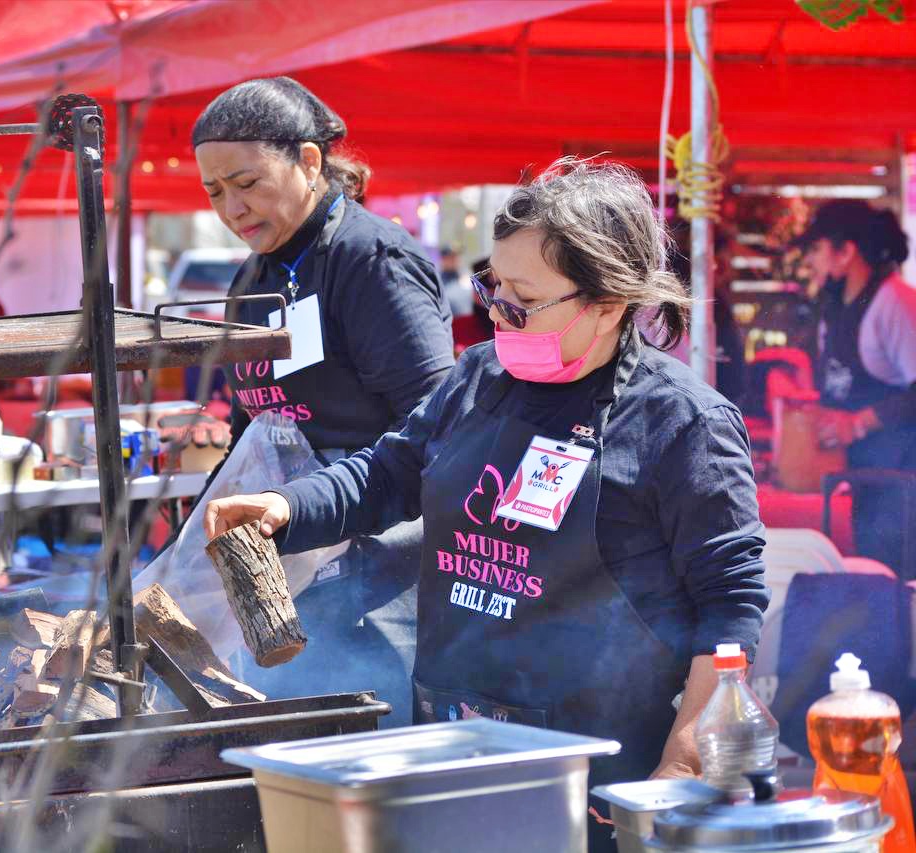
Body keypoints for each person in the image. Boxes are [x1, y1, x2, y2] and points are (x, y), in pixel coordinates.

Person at [205, 158, 769, 852]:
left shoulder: (682, 423)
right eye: (493, 287)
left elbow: (731, 608)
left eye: (522, 300)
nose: (497, 312)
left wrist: (683, 760)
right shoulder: (478, 377)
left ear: (608, 301)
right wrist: (284, 506)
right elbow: (388, 473)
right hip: (453, 740)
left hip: (593, 776)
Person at [190, 77, 454, 724]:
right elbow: (253, 418)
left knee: (367, 771)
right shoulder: (251, 278)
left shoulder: (372, 261)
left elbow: (438, 427)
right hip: (284, 573)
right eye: (215, 191)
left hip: (378, 571)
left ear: (309, 161)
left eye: (247, 182)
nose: (232, 207)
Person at [796, 200, 916, 575]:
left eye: (816, 249)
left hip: (901, 482)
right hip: (865, 477)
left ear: (845, 252)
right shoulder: (836, 310)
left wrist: (860, 422)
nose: (810, 262)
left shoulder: (893, 301)